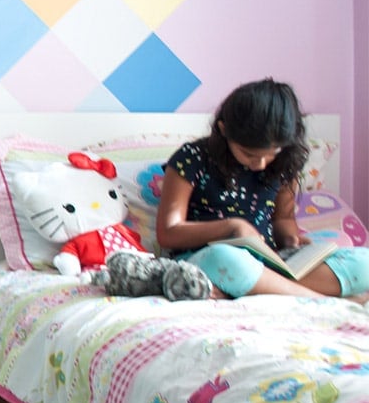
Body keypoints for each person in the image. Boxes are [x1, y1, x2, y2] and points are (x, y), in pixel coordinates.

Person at [156, 77, 369, 300]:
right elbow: (168, 233)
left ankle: (257, 288)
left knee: (364, 262)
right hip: (207, 259)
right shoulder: (192, 158)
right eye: (249, 154)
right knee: (224, 259)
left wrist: (290, 241)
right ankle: (320, 300)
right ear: (223, 129)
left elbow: (283, 219)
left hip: (268, 263)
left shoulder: (285, 162)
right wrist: (232, 227)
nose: (260, 164)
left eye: (272, 153)